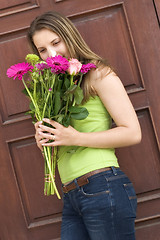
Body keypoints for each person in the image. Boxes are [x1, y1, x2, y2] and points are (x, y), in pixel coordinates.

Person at [28, 11, 142, 240]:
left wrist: (75, 137)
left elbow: (133, 133)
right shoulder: (53, 89)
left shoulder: (99, 73)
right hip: (71, 194)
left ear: (69, 37)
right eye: (42, 50)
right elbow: (61, 141)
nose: (51, 54)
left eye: (56, 43)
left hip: (102, 186)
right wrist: (45, 141)